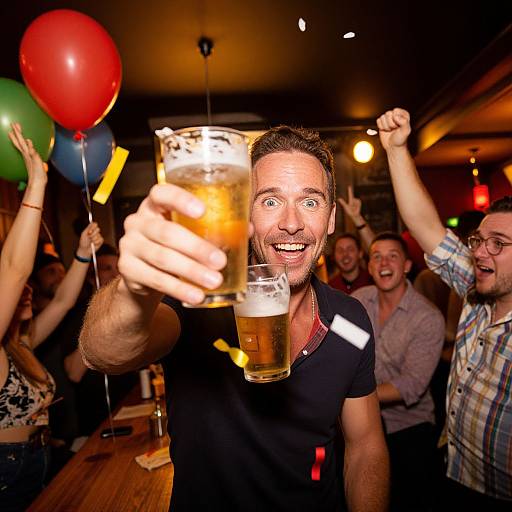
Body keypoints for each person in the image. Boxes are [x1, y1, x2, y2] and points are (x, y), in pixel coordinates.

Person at [80, 125, 390, 511]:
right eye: (270, 201)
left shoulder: (351, 319)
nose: (291, 223)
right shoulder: (199, 300)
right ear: (244, 211)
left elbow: (365, 447)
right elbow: (100, 353)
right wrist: (135, 289)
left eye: (310, 203)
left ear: (330, 220)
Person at [377, 107, 512, 510]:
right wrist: (396, 150)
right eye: (479, 240)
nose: (481, 251)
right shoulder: (475, 289)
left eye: (499, 244)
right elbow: (423, 224)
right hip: (452, 472)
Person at [0, 124, 103, 511]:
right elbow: (13, 268)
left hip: (35, 464)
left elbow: (60, 304)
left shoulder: (18, 345)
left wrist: (79, 255)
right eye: (15, 290)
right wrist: (37, 186)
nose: (24, 290)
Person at [352, 232, 444, 512]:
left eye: (393, 255)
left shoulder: (427, 318)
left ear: (406, 266)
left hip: (408, 424)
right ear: (369, 267)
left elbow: (411, 385)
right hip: (361, 418)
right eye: (376, 256)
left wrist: (351, 396)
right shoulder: (357, 302)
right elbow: (342, 348)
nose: (384, 262)